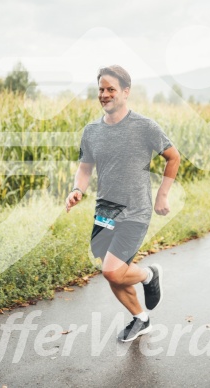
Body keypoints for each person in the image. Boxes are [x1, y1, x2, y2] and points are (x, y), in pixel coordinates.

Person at [65, 65, 180, 342]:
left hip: (135, 211)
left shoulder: (144, 126)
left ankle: (149, 275)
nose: (104, 95)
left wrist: (162, 195)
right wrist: (77, 189)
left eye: (111, 89)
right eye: (101, 90)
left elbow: (173, 157)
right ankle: (141, 318)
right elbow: (85, 167)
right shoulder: (91, 131)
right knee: (113, 274)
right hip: (105, 211)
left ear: (126, 92)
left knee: (112, 270)